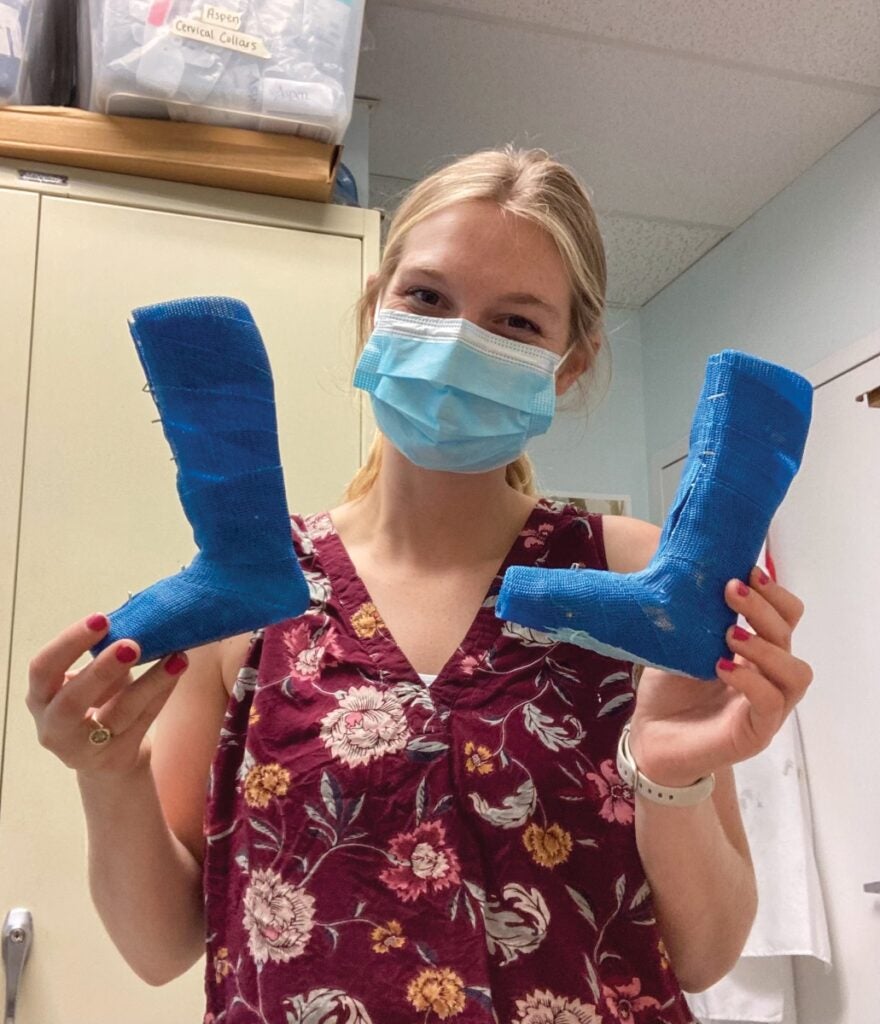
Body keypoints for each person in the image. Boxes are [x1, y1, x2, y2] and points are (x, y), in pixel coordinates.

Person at [26, 146, 813, 1024]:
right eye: (428, 299)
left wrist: (671, 777)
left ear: (572, 364)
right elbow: (161, 945)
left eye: (515, 323)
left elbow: (702, 957)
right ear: (376, 310)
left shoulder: (632, 579)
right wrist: (108, 776)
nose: (455, 343)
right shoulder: (260, 598)